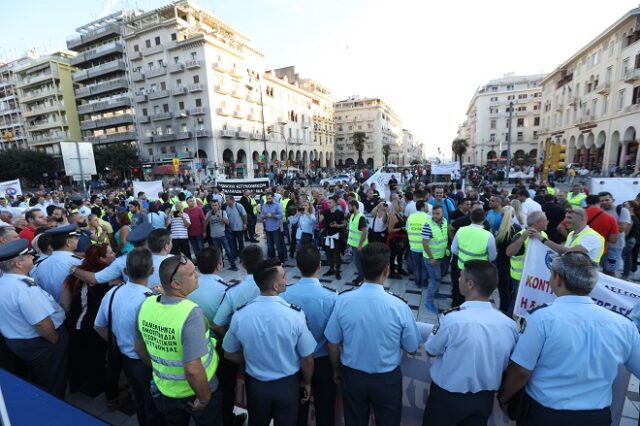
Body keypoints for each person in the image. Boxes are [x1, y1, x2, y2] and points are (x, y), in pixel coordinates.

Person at [498, 252, 640, 425]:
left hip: (545, 414)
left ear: (557, 279)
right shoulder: (624, 325)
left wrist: (504, 397)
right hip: (596, 417)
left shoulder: (542, 319)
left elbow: (521, 371)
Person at [325, 242, 420, 426]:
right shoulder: (399, 306)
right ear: (386, 270)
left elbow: (332, 343)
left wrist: (337, 369)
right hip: (386, 380)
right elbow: (412, 346)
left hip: (353, 377)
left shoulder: (343, 300)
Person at [222, 258, 316, 426]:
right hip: (287, 386)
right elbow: (307, 358)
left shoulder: (241, 315)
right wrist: (307, 382)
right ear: (275, 286)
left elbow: (229, 353)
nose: (286, 280)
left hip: (256, 385)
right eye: (283, 277)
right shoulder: (294, 315)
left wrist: (250, 358)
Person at [424, 260, 518, 426]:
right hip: (484, 400)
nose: (458, 279)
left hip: (447, 399)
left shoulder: (452, 319)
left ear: (470, 284)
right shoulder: (509, 325)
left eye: (461, 276)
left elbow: (431, 349)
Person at [135, 254, 222, 426]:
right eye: (191, 274)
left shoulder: (146, 305)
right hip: (195, 390)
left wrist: (160, 369)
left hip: (164, 390)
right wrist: (204, 399)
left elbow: (138, 348)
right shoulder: (190, 313)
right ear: (176, 284)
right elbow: (192, 369)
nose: (196, 274)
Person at [94, 248, 161, 426]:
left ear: (125, 271)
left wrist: (116, 341)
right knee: (153, 402)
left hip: (124, 357)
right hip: (145, 361)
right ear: (152, 271)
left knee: (139, 398)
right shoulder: (151, 300)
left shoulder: (113, 292)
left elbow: (98, 325)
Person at [0, 238, 69, 398]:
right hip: (41, 343)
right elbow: (41, 324)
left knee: (37, 377)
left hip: (16, 341)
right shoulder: (24, 289)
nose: (32, 257)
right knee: (53, 381)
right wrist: (56, 341)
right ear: (18, 263)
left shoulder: (4, 283)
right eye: (29, 256)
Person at [282, 245, 338, 426]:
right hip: (323, 361)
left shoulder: (285, 295)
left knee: (298, 412)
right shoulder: (331, 297)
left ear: (298, 266)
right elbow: (334, 338)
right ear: (319, 266)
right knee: (325, 410)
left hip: (295, 361)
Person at [60, 244, 117, 397]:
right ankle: (95, 387)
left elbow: (64, 303)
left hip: (75, 322)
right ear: (101, 258)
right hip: (95, 324)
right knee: (96, 357)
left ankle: (78, 384)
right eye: (111, 252)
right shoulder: (110, 276)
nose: (114, 254)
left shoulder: (72, 276)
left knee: (78, 354)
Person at [451, 208, 496, 306]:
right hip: (479, 272)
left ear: (470, 218)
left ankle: (456, 308)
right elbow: (493, 256)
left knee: (459, 292)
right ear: (484, 220)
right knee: (476, 294)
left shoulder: (461, 230)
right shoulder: (488, 235)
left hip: (462, 268)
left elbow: (454, 249)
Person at [31, 224, 83, 303]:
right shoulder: (78, 262)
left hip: (52, 311)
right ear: (68, 242)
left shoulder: (39, 265)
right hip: (75, 310)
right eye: (76, 238)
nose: (78, 240)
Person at [541, 208, 605, 262]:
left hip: (584, 275)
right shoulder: (571, 234)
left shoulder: (592, 237)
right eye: (565, 217)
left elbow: (568, 252)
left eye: (569, 217)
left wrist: (541, 238)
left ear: (581, 219)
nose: (565, 220)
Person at [421, 205, 449, 312]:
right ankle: (428, 302)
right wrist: (431, 258)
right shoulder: (428, 225)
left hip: (441, 255)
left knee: (438, 278)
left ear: (442, 214)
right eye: (434, 213)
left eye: (438, 213)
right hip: (432, 258)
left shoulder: (445, 221)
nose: (435, 216)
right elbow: (424, 243)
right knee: (435, 280)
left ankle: (435, 294)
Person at [599, 191, 631, 276]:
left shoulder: (622, 210)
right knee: (600, 269)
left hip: (614, 247)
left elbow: (622, 228)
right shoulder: (599, 211)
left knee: (610, 270)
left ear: (613, 200)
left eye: (607, 200)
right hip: (601, 246)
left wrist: (601, 226)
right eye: (601, 201)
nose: (604, 202)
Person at [205, 199, 238, 271]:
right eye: (213, 205)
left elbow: (227, 222)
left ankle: (233, 265)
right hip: (214, 236)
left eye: (216, 205)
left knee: (228, 251)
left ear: (219, 205)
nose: (214, 207)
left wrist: (219, 216)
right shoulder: (208, 213)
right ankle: (220, 265)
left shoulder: (223, 212)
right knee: (217, 252)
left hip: (223, 235)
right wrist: (208, 217)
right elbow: (205, 224)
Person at [321, 196, 346, 280]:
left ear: (335, 203)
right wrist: (318, 211)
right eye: (328, 202)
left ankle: (338, 271)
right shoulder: (326, 212)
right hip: (329, 235)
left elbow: (344, 224)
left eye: (330, 202)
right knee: (329, 254)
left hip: (336, 236)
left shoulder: (339, 213)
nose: (328, 203)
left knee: (336, 254)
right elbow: (319, 220)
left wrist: (337, 225)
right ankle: (331, 269)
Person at [407, 200, 430, 288]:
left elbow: (407, 229)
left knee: (416, 266)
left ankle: (417, 282)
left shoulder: (411, 217)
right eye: (426, 205)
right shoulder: (428, 217)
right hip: (425, 247)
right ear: (423, 207)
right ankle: (423, 283)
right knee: (424, 267)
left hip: (413, 246)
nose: (428, 207)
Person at [258, 193, 286, 263]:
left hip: (276, 228)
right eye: (267, 198)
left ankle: (281, 261)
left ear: (273, 197)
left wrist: (272, 215)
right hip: (267, 228)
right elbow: (261, 216)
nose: (268, 200)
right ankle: (272, 261)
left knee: (279, 246)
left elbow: (281, 216)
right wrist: (265, 216)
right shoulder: (264, 205)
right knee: (270, 247)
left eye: (270, 198)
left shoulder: (277, 205)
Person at [346, 199, 369, 285]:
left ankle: (362, 279)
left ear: (354, 207)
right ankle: (361, 277)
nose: (348, 208)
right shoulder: (352, 216)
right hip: (354, 245)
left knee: (359, 263)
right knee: (357, 263)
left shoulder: (361, 217)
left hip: (360, 246)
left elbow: (365, 232)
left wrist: (360, 245)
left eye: (349, 207)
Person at [224, 195, 248, 261]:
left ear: (232, 200)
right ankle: (234, 255)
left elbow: (244, 215)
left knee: (240, 243)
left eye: (227, 200)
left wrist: (245, 224)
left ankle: (242, 258)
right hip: (231, 229)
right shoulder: (227, 207)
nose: (226, 202)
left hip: (239, 228)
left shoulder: (238, 206)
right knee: (232, 243)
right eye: (226, 200)